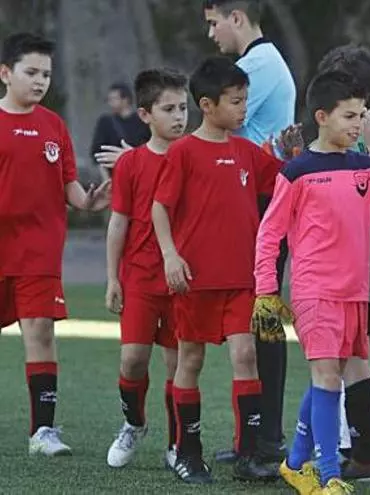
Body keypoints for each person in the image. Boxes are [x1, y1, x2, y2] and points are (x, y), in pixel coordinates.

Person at [256, 69, 370, 494]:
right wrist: (266, 290)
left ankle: (295, 462)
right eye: (349, 116)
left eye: (362, 115)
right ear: (322, 116)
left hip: (354, 294)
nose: (358, 124)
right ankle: (326, 475)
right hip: (314, 292)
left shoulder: (364, 168)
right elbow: (269, 233)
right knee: (326, 378)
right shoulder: (296, 172)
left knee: (331, 375)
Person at [151, 56, 286, 484]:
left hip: (242, 280)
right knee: (190, 359)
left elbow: (287, 182)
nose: (244, 108)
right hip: (196, 279)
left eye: (245, 100)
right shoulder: (184, 153)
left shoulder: (247, 152)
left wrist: (301, 155)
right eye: (236, 101)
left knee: (246, 355)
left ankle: (249, 456)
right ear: (207, 105)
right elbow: (160, 208)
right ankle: (188, 454)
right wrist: (171, 256)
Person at [0, 32, 111, 456]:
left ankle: (42, 432)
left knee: (41, 332)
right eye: (31, 72)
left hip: (39, 250)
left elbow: (71, 190)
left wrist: (91, 201)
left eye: (46, 74)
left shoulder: (53, 126)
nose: (40, 81)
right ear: (6, 73)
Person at [203, 0, 298, 462]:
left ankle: (265, 436)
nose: (211, 34)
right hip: (260, 201)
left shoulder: (255, 66)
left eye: (213, 23)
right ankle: (259, 435)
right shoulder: (266, 61)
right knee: (259, 318)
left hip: (261, 202)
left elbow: (211, 128)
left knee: (261, 318)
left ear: (236, 17)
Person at [314, 43, 370, 481]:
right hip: (348, 276)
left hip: (364, 275)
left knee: (354, 363)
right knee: (351, 361)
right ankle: (358, 453)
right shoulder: (318, 153)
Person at [104, 68, 189, 470]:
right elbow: (118, 221)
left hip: (182, 281)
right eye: (168, 108)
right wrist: (111, 278)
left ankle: (176, 445)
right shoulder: (131, 164)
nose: (179, 116)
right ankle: (133, 423)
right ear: (144, 115)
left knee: (179, 365)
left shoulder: (194, 157)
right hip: (138, 278)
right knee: (133, 360)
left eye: (183, 107)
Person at [89, 81, 151, 180]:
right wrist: (107, 181)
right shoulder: (106, 122)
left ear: (125, 99)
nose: (110, 103)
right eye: (109, 99)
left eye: (113, 99)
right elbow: (97, 154)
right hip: (115, 177)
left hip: (141, 175)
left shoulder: (142, 121)